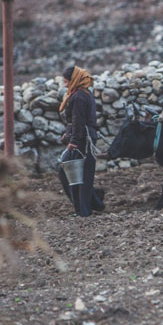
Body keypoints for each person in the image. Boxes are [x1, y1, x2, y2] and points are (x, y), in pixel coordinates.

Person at [58, 66, 106, 215]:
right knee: (82, 174)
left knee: (72, 174)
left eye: (67, 81)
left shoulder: (78, 96)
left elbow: (78, 120)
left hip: (82, 140)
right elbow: (76, 121)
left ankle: (83, 211)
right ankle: (94, 204)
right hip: (85, 137)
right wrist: (68, 135)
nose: (65, 85)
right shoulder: (85, 93)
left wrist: (73, 140)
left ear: (74, 80)